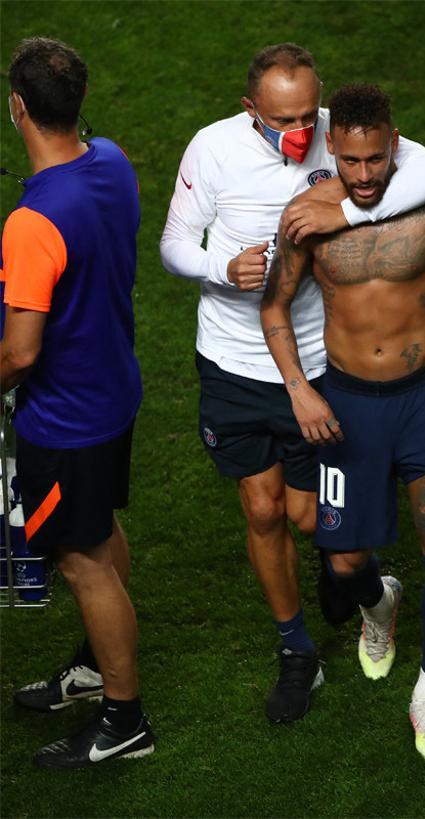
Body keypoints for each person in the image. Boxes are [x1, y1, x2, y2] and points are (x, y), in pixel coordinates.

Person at [160, 42, 425, 724]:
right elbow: (174, 244)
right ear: (250, 109)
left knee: (308, 516)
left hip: (320, 366)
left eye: (307, 115)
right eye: (282, 121)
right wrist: (218, 268)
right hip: (232, 363)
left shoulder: (339, 135)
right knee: (262, 510)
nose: (301, 133)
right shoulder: (211, 149)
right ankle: (297, 651)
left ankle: (368, 586)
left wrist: (346, 214)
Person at [260, 83, 425, 759]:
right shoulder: (307, 218)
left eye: (375, 158)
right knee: (344, 561)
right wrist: (299, 390)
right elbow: (274, 305)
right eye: (350, 160)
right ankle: (380, 603)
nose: (363, 174)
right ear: (333, 149)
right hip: (347, 405)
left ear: (395, 144)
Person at [0, 37, 154, 769]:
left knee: (81, 561)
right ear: (80, 99)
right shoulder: (114, 161)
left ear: (17, 107)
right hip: (114, 391)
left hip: (65, 419)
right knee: (99, 528)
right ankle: (95, 666)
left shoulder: (32, 223)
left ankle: (124, 721)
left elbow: (20, 352)